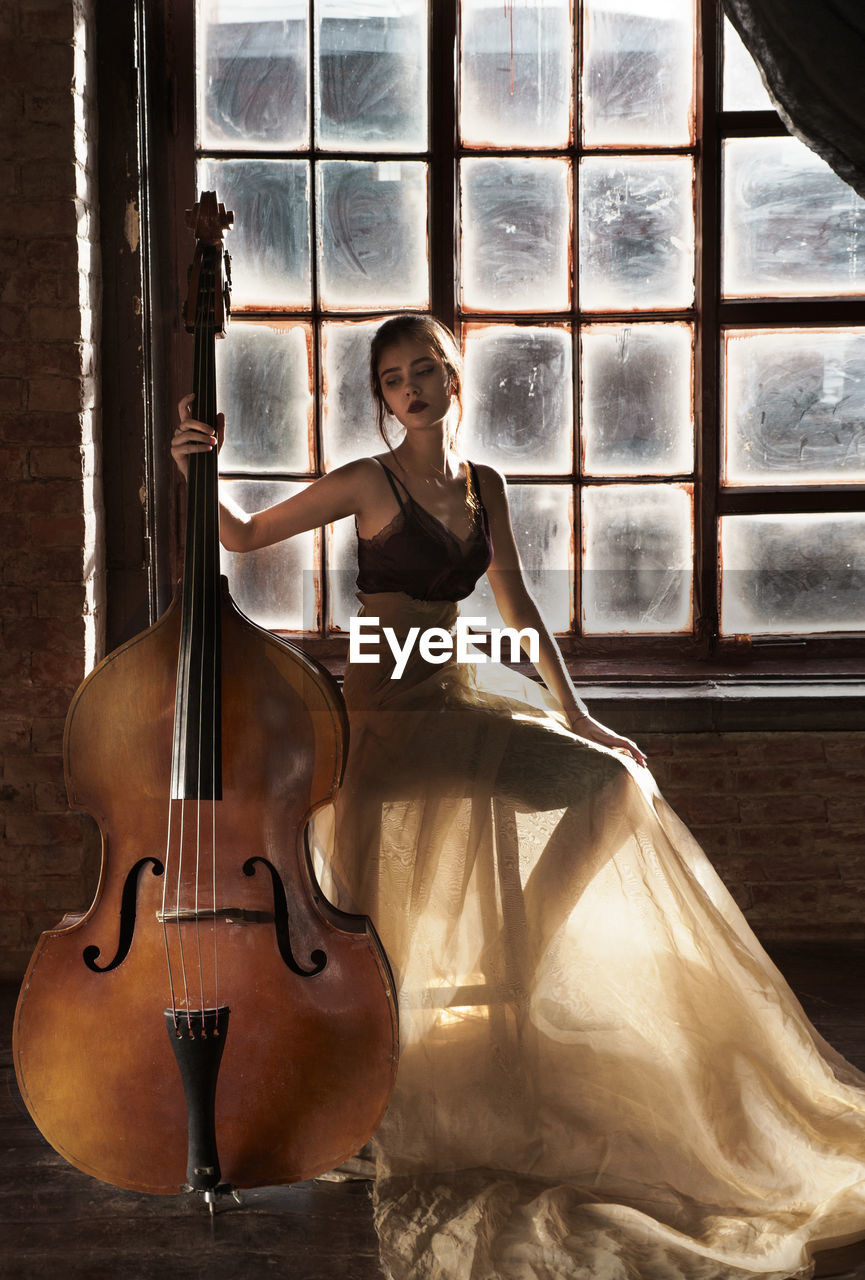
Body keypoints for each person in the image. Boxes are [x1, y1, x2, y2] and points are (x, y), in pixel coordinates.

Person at [173, 314, 865, 1280]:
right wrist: (193, 465)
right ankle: (407, 1029)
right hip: (382, 721)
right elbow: (243, 537)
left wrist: (580, 718)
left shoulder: (482, 486)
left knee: (613, 784)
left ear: (453, 382)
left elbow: (519, 610)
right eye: (392, 379)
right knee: (501, 794)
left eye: (425, 372)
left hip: (458, 691)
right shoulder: (369, 481)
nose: (410, 389)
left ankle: (524, 953)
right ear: (380, 397)